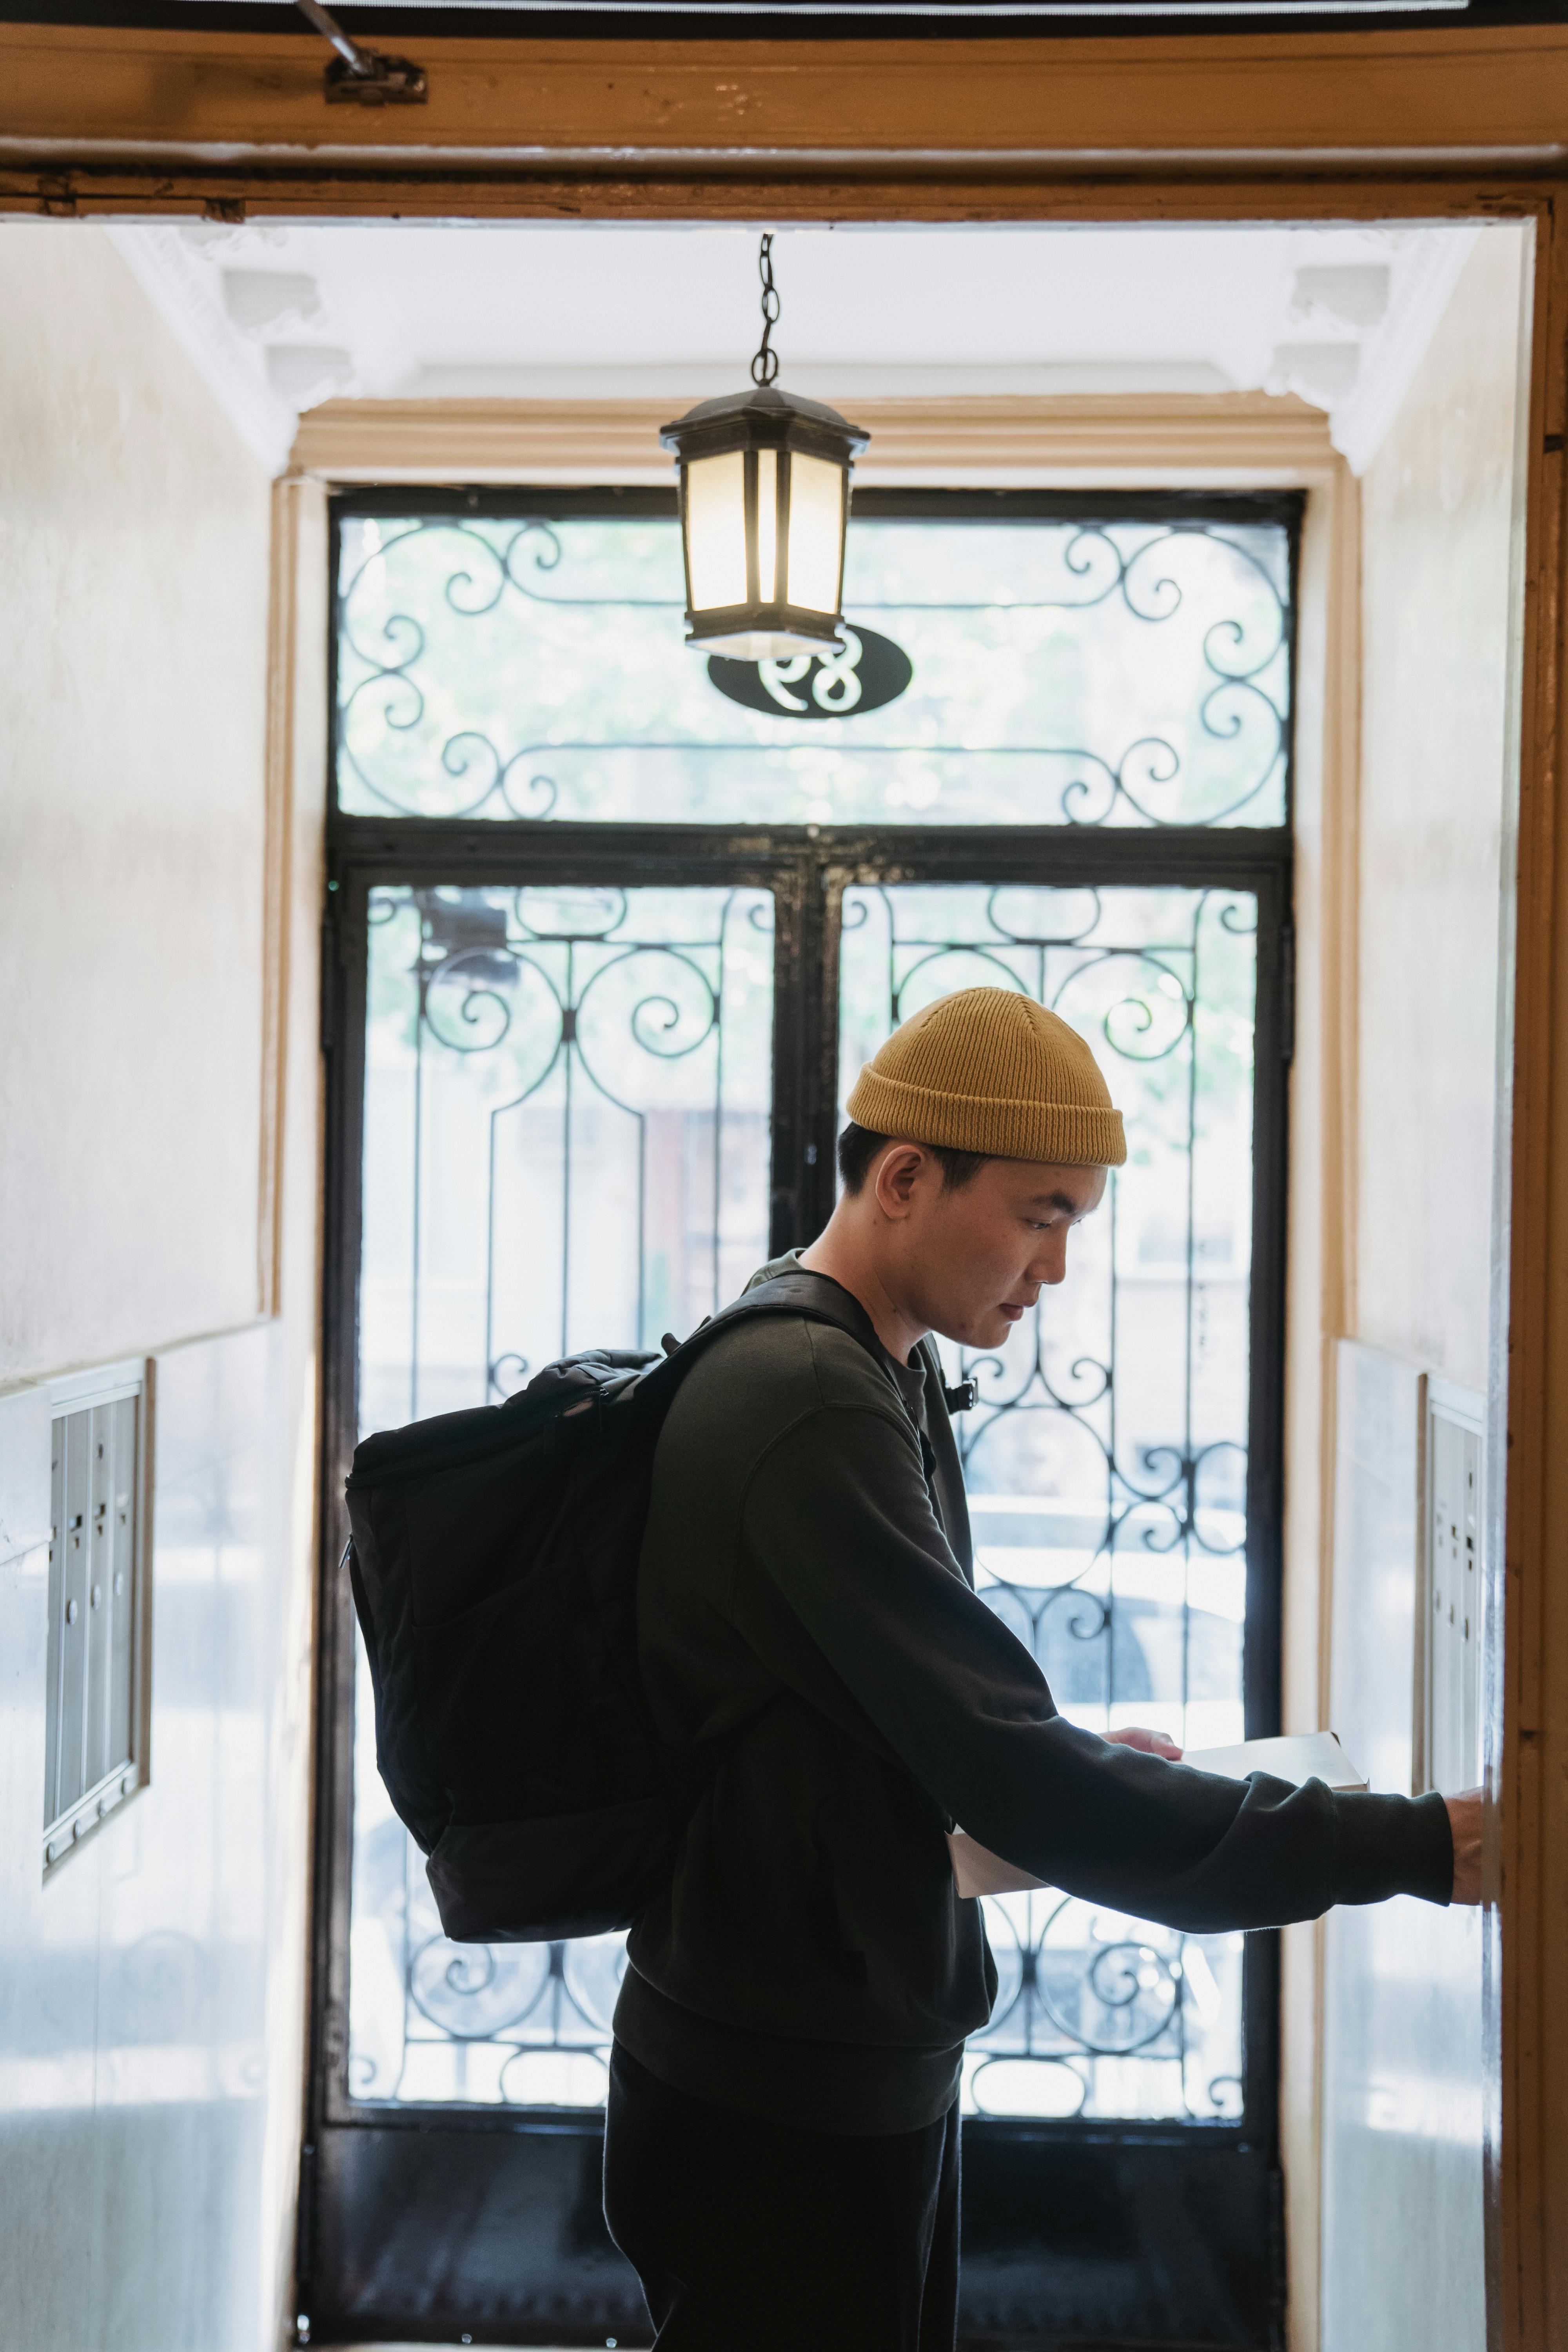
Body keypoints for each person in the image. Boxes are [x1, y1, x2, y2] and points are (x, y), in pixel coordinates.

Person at [602, 985, 1482, 2352]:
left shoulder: (871, 1368)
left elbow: (884, 1744)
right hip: (779, 2091)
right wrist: (1413, 1844)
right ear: (904, 1177)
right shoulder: (809, 1396)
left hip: (813, 2054)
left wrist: (1059, 1771)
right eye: (1042, 1215)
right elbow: (1013, 1772)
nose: (1056, 1268)